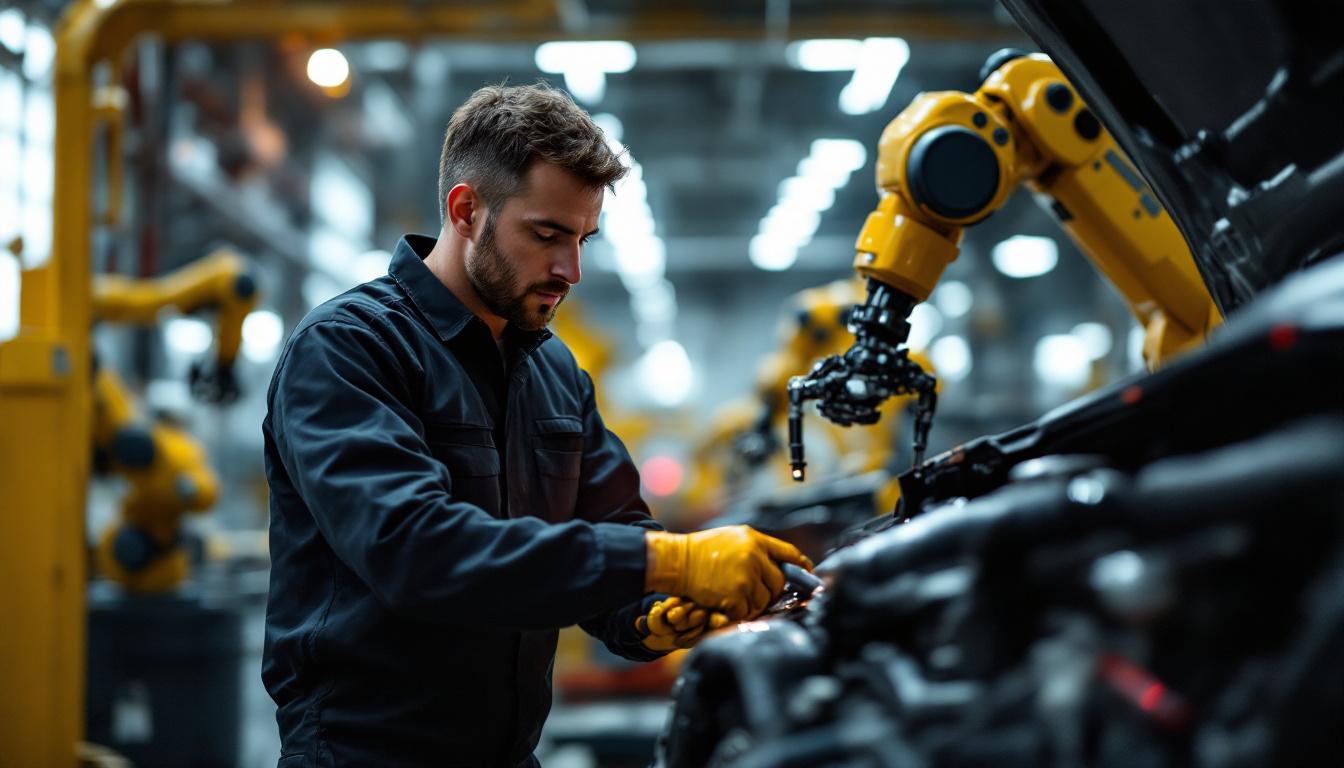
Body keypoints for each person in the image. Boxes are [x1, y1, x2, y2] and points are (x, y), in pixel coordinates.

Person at [261, 82, 811, 768]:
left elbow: (614, 530)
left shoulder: (553, 370)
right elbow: (416, 552)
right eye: (547, 235)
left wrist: (653, 610)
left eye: (583, 238)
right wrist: (674, 559)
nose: (571, 269)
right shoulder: (350, 349)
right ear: (467, 210)